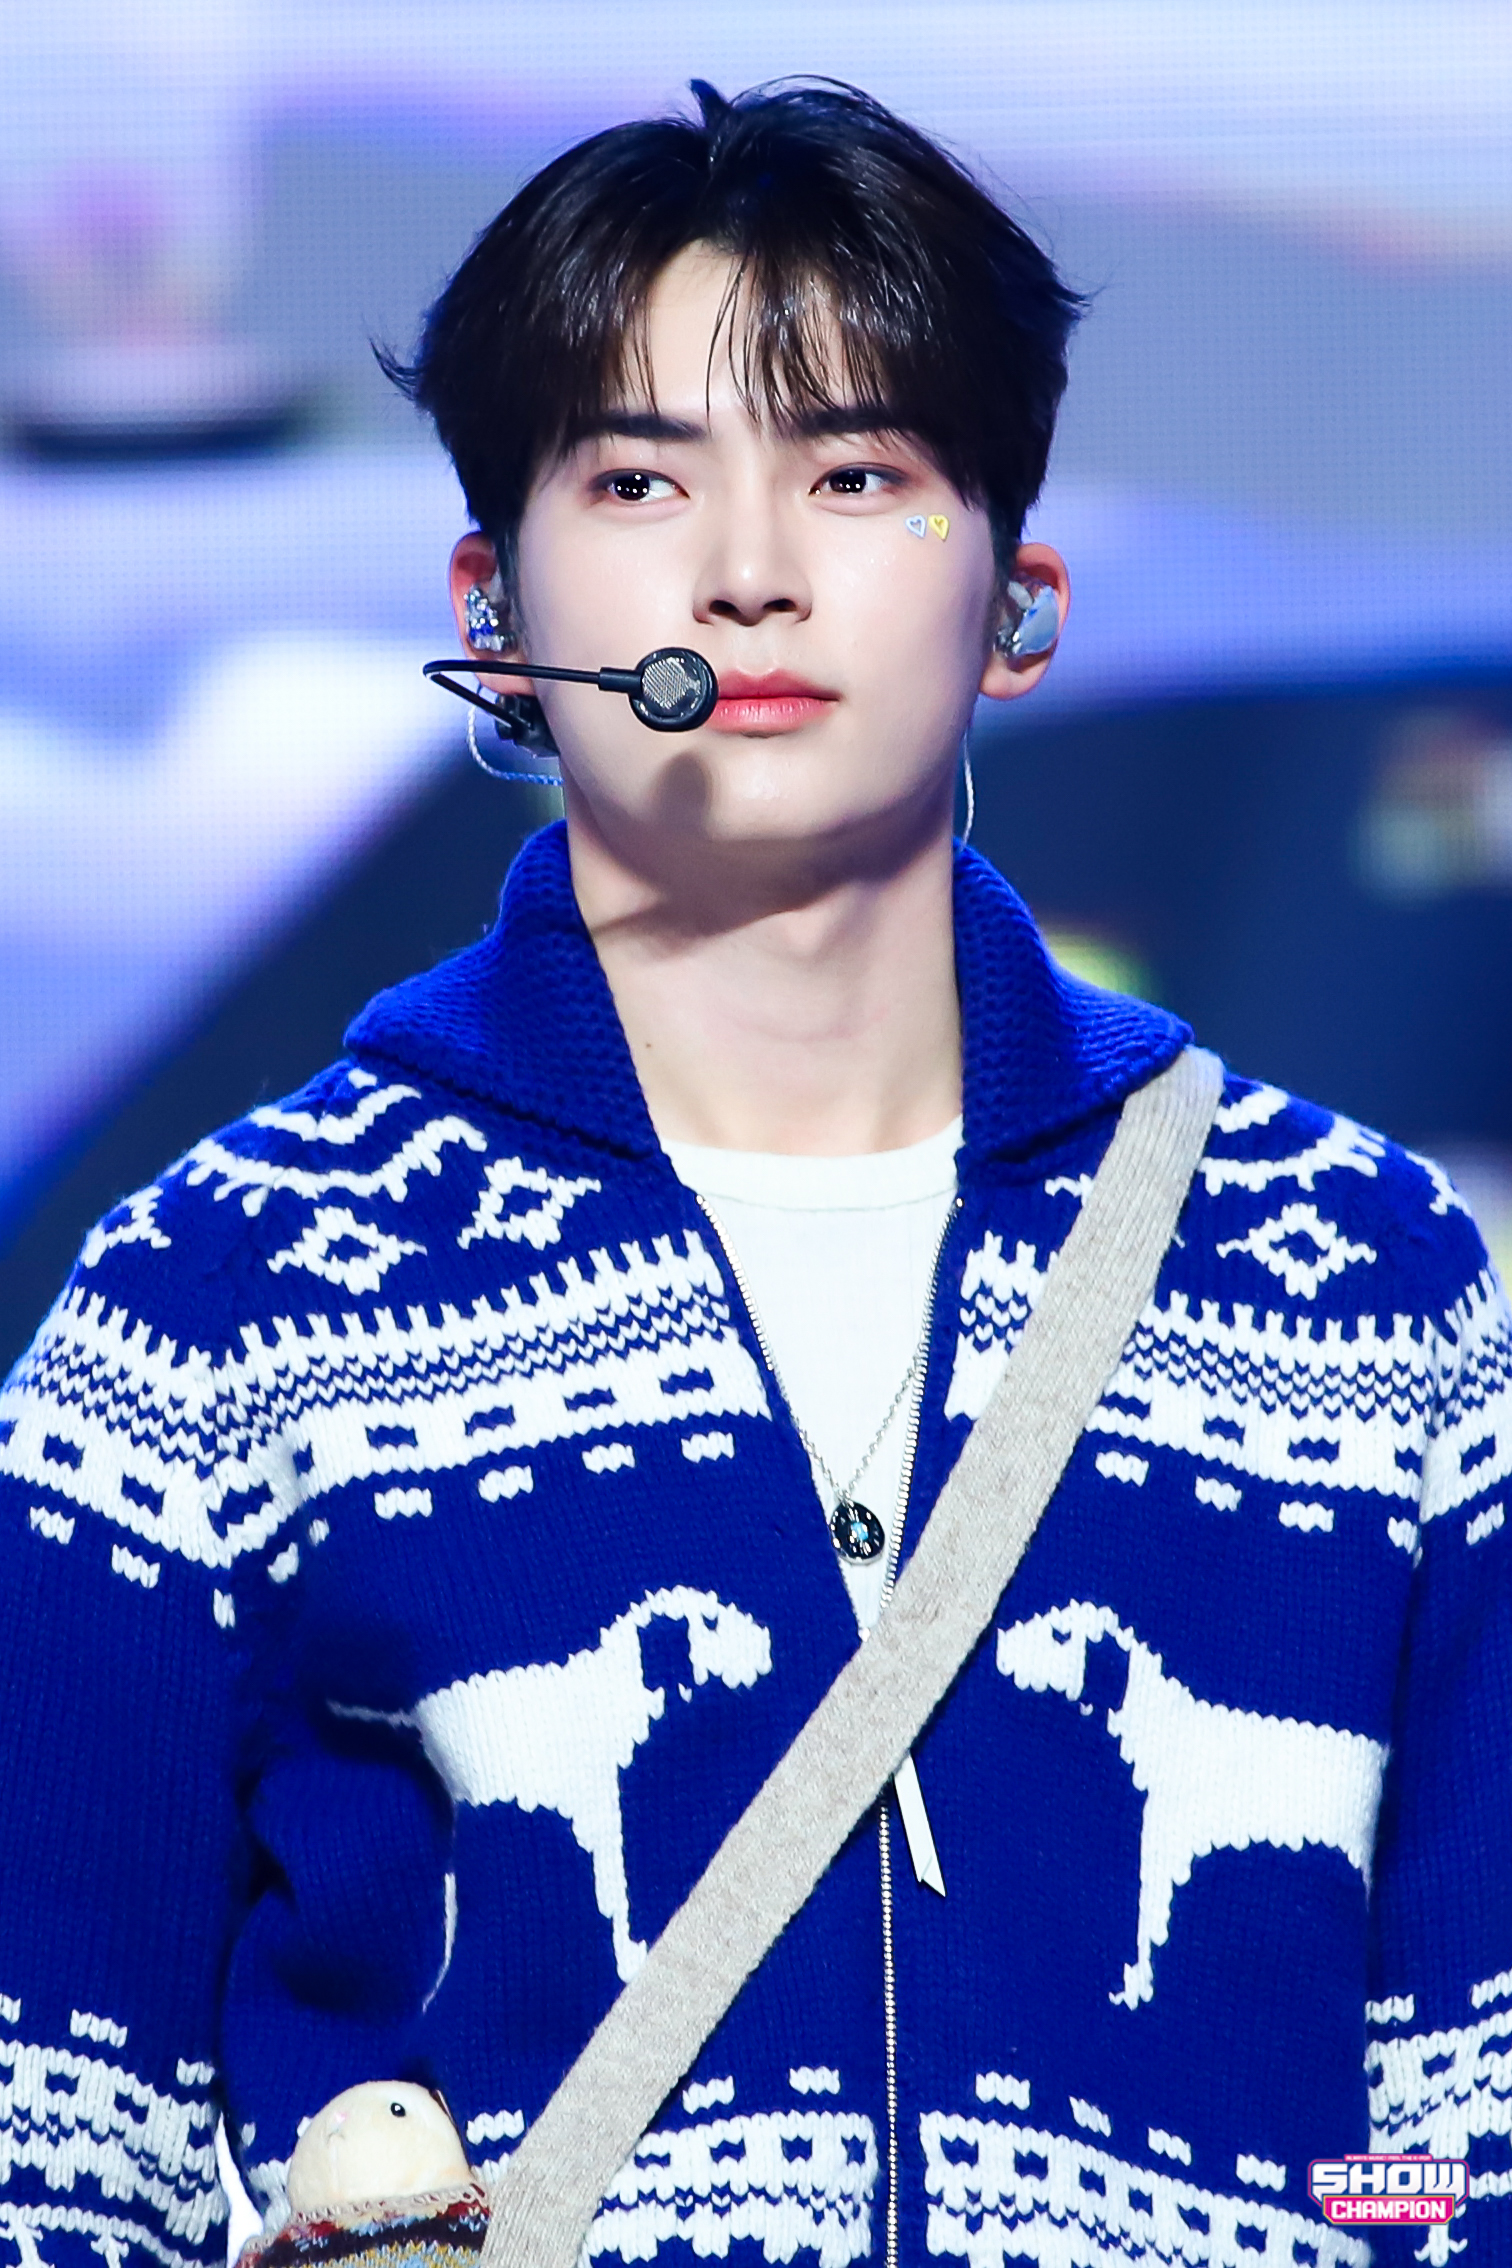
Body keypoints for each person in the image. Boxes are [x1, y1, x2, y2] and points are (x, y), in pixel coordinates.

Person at [1, 78, 1508, 2268]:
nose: (751, 569)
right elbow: (50, 2147)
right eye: (638, 477)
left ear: (1019, 601)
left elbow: (1468, 2128)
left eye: (859, 472)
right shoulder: (218, 1304)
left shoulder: (1361, 1284)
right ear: (491, 604)